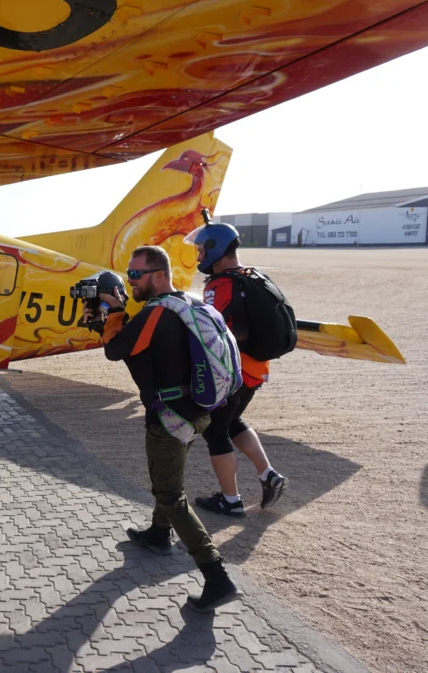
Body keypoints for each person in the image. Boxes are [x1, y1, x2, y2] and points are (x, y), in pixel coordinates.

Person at [87, 245, 242, 612]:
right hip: (199, 408)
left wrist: (113, 313)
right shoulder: (184, 304)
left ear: (158, 275)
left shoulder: (155, 313)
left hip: (172, 417)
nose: (130, 281)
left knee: (171, 494)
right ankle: (158, 533)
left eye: (135, 275)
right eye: (128, 275)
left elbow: (116, 349)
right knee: (167, 478)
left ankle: (217, 577)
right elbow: (136, 349)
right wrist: (112, 316)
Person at [187, 223, 288, 516]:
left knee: (215, 431)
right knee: (232, 422)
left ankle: (230, 501)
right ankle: (269, 475)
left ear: (215, 250)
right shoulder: (253, 276)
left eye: (201, 249)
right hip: (257, 369)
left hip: (233, 373)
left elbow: (210, 332)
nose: (198, 256)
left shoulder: (221, 285)